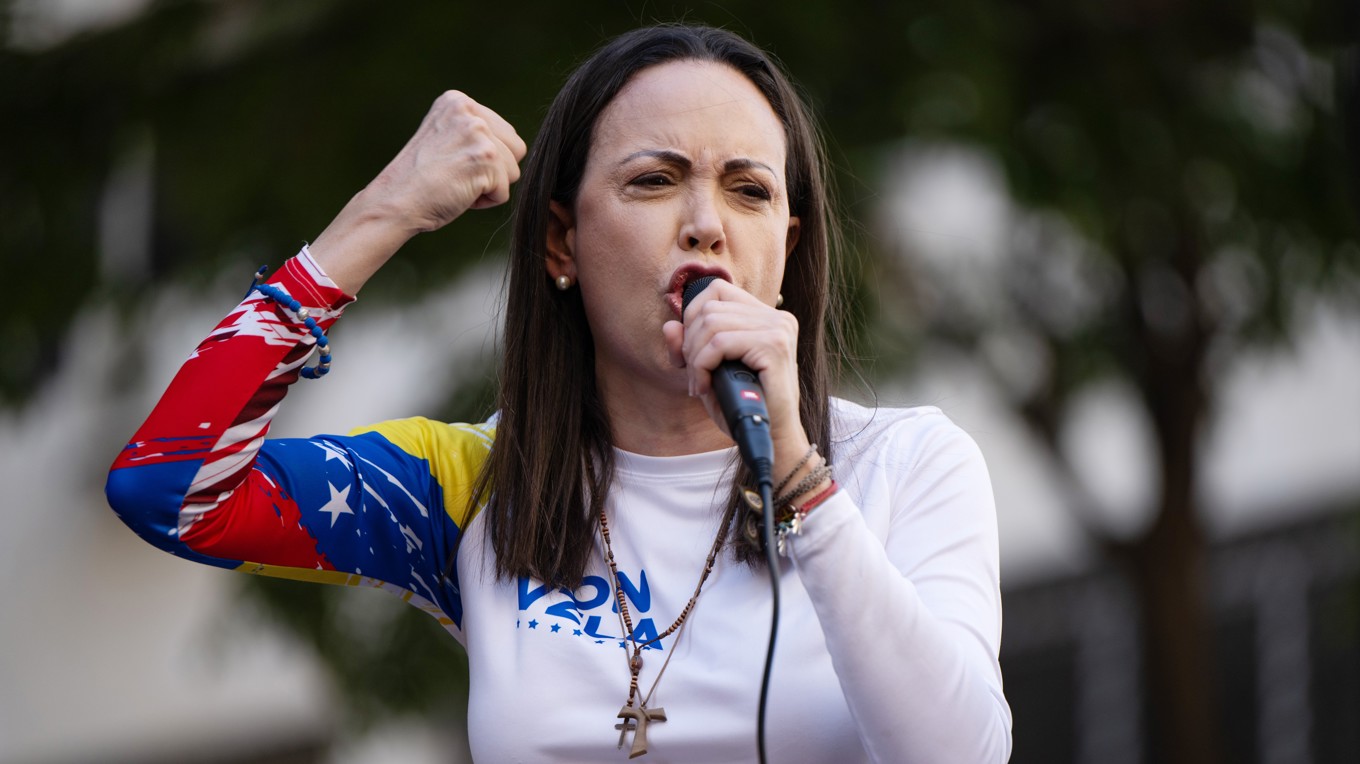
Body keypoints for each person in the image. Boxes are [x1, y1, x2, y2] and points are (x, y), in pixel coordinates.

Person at [106, 24, 1012, 763]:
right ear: (561, 245)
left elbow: (961, 754)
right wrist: (383, 213)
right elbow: (168, 488)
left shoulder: (901, 466)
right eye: (655, 181)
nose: (705, 225)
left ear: (786, 249)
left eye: (748, 191)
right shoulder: (477, 486)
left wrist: (803, 482)